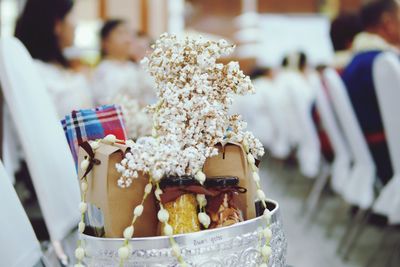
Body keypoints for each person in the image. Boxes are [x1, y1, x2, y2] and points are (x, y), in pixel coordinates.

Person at [342, 0, 400, 184]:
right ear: (388, 21)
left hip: (377, 156)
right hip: (389, 158)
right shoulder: (386, 62)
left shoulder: (354, 63)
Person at [15, 0, 93, 119]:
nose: (76, 24)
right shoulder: (33, 72)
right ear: (57, 24)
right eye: (72, 15)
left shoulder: (60, 67)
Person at [91, 19, 155, 106]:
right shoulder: (103, 71)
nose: (128, 39)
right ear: (106, 42)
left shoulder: (135, 68)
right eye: (121, 33)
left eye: (130, 34)